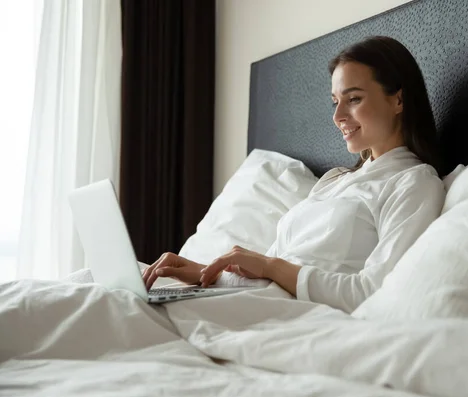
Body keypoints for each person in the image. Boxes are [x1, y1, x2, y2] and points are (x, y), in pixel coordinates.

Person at [143, 36, 446, 313]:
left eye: (353, 99)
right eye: (335, 101)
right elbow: (268, 275)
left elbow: (373, 292)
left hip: (296, 318)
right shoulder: (334, 180)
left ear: (398, 100)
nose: (337, 116)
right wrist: (203, 273)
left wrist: (271, 266)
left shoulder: (414, 182)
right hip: (252, 303)